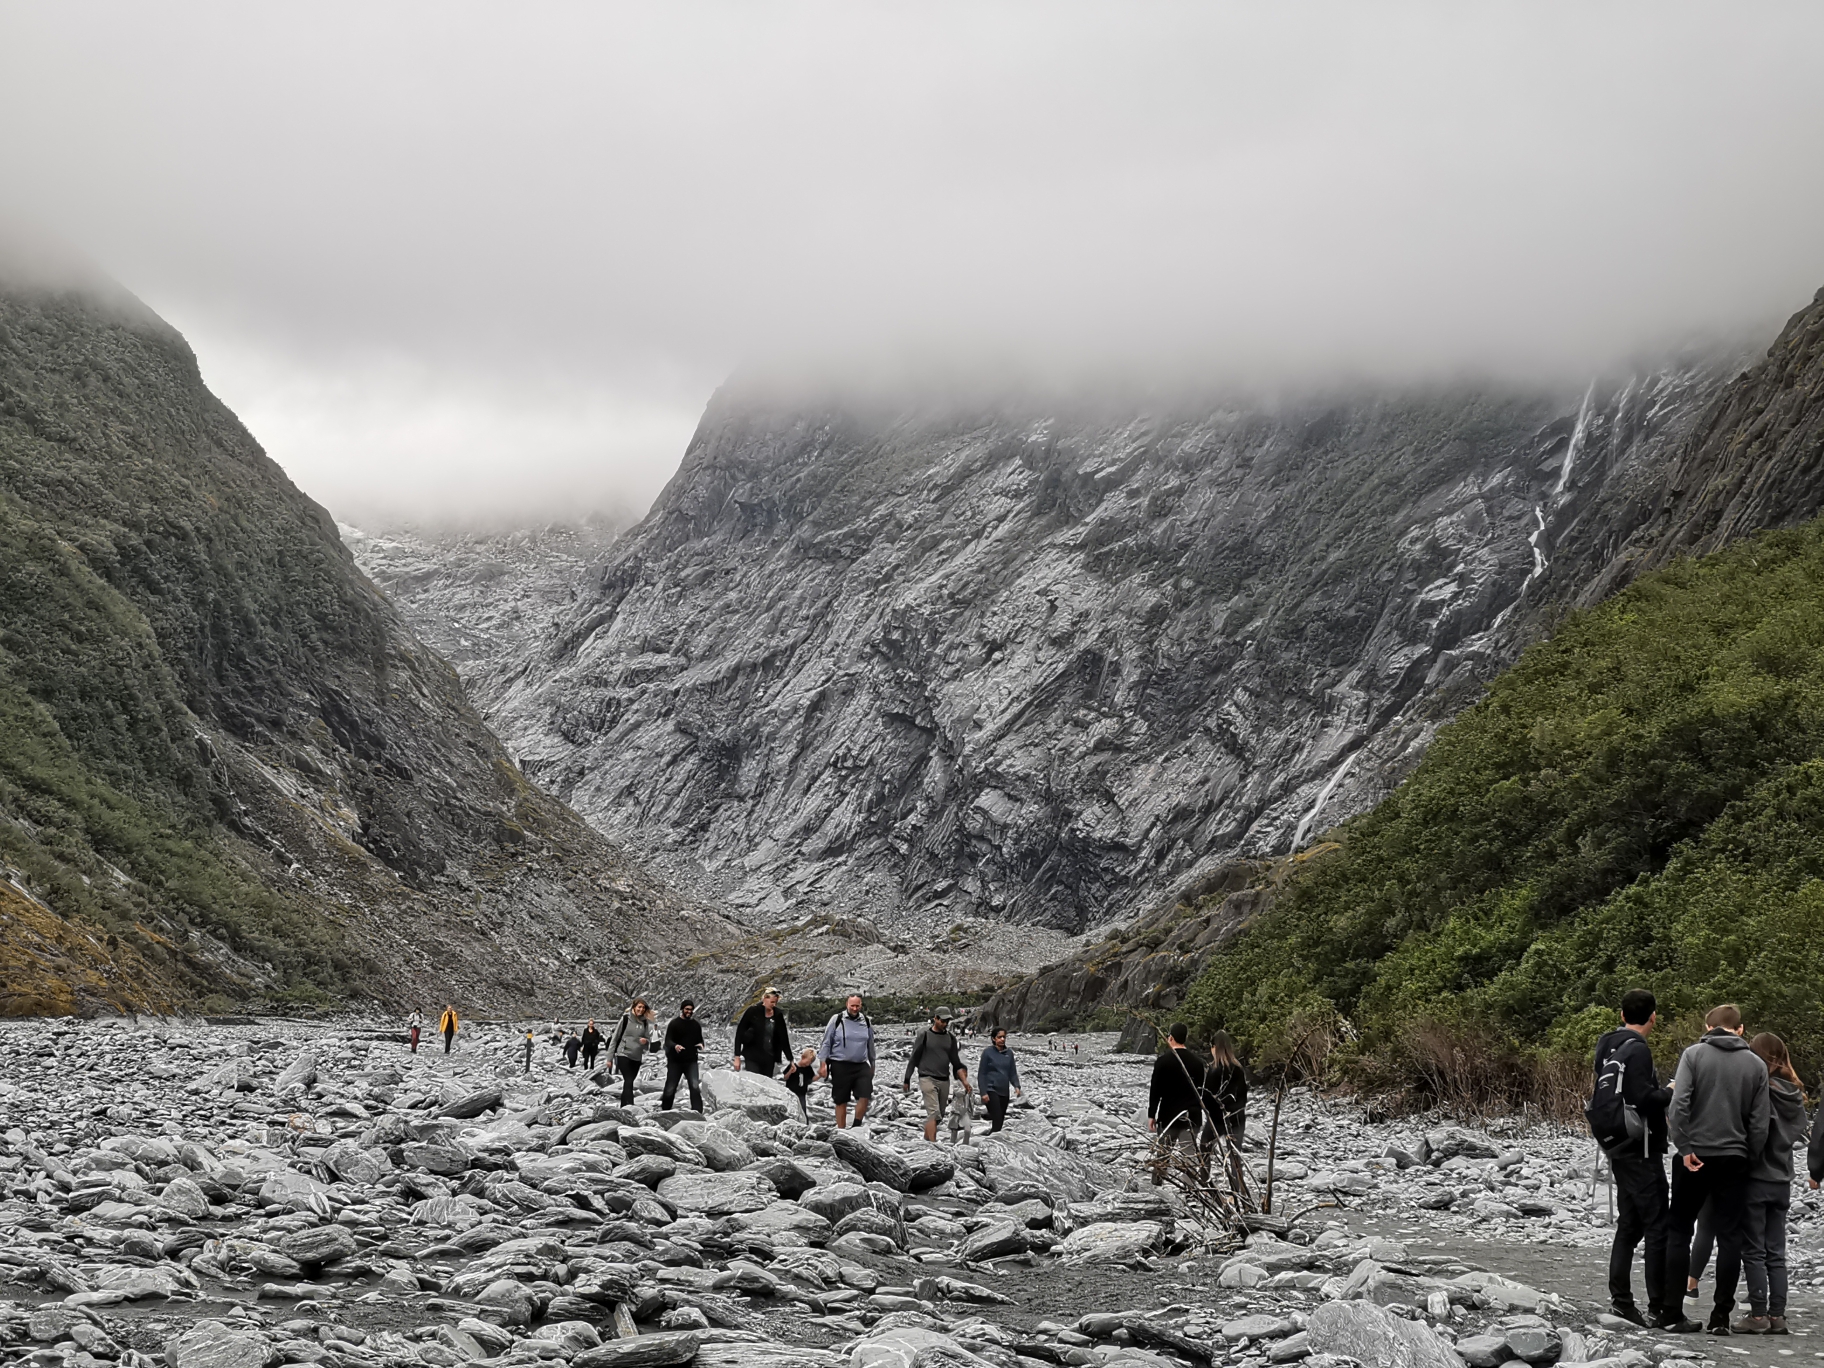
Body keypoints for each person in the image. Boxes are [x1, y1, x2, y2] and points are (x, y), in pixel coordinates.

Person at [1667, 1003, 1771, 1336]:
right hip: (1734, 1157)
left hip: (1694, 1155)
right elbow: (1759, 1122)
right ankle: (1720, 1317)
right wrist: (1748, 1155)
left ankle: (1672, 1310)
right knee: (1730, 1238)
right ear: (1740, 1030)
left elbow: (1679, 1103)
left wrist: (1683, 1147)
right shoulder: (1756, 1065)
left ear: (1707, 1026)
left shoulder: (1693, 1055)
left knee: (1681, 1230)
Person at [1590, 990, 1679, 1329]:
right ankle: (1660, 1308)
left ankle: (1622, 1301)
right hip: (1641, 1147)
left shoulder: (1606, 1042)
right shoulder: (1639, 1049)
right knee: (1658, 1224)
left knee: (1629, 1225)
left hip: (1617, 1143)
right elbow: (1643, 1097)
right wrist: (1671, 1090)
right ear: (1653, 1017)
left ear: (1622, 1013)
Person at [1734, 1032, 1806, 1334]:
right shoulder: (1794, 1092)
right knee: (1776, 1251)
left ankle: (1758, 1314)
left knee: (1753, 1250)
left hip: (1758, 1176)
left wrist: (1746, 1160)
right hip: (1782, 1178)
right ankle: (1778, 1315)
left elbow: (1758, 1130)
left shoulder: (1762, 1088)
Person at [1148, 1023, 1206, 1185]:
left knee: (1163, 1152)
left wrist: (1152, 1114)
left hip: (1169, 1115)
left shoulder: (1163, 1061)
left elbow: (1155, 1091)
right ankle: (1190, 1190)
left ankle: (1157, 1186)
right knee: (1190, 1156)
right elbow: (1201, 1091)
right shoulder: (1198, 1063)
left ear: (1171, 1037)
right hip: (1192, 1116)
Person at [903, 1008, 970, 1143]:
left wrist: (964, 1082)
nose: (945, 1023)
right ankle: (933, 1146)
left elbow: (956, 1062)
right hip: (926, 1077)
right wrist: (907, 1079)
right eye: (943, 1020)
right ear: (936, 1018)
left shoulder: (950, 1038)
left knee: (940, 1116)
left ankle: (926, 1140)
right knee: (933, 1113)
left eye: (947, 1021)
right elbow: (914, 1057)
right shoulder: (925, 1035)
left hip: (944, 1080)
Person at [817, 993, 876, 1129]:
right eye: (852, 1005)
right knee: (841, 1099)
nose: (855, 1008)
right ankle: (841, 1130)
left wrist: (873, 1063)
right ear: (847, 1005)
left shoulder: (866, 1021)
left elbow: (870, 1044)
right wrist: (823, 1063)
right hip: (840, 1064)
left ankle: (856, 1125)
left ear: (861, 1005)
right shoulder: (837, 1019)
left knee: (865, 1094)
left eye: (857, 1005)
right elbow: (826, 1042)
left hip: (861, 1064)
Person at [1203, 1030, 1250, 1193]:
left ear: (1214, 1047)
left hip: (1216, 1119)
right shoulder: (1238, 1069)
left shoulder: (1212, 1069)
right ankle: (1238, 1192)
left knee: (1204, 1149)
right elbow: (1243, 1097)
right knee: (1235, 1157)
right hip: (1236, 1119)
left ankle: (1205, 1185)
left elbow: (1206, 1098)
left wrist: (1214, 1114)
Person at [733, 988, 793, 1077]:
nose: (774, 1004)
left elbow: (783, 1037)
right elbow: (739, 1033)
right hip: (752, 1055)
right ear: (765, 998)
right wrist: (737, 1056)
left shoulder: (777, 1014)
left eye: (776, 1002)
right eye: (772, 1002)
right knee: (754, 1080)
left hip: (770, 1057)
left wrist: (790, 1059)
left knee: (766, 1083)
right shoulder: (752, 1011)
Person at [607, 999, 655, 1106]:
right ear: (634, 1007)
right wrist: (609, 1058)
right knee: (628, 1080)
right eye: (639, 1007)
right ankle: (630, 1106)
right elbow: (614, 1039)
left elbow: (648, 1041)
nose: (641, 1009)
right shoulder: (625, 1019)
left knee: (629, 1082)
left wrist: (645, 1041)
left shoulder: (645, 1022)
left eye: (643, 1008)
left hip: (636, 1057)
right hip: (623, 1054)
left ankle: (624, 1106)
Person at [662, 1000, 705, 1112]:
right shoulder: (674, 1024)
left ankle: (697, 1111)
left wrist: (701, 1045)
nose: (689, 1012)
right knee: (671, 1087)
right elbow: (667, 1041)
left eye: (691, 1009)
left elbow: (700, 1040)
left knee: (695, 1086)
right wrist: (675, 1046)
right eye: (687, 1009)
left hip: (691, 1060)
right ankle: (665, 1111)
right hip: (675, 1061)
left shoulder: (696, 1025)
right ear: (682, 1009)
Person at [977, 1028, 1022, 1134]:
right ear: (993, 1038)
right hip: (991, 1089)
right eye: (999, 1037)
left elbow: (1012, 1072)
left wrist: (1016, 1086)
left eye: (1004, 1037)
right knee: (997, 1116)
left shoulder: (1009, 1053)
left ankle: (992, 1136)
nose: (1002, 1039)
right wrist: (983, 1092)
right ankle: (992, 1141)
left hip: (1004, 1091)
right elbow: (982, 1074)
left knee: (1000, 1119)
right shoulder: (987, 1052)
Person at [784, 1045, 817, 1121]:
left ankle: (804, 1123)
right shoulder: (793, 1066)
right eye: (807, 1062)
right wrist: (790, 1072)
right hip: (790, 1092)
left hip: (801, 1094)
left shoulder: (808, 1069)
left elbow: (811, 1079)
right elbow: (785, 1077)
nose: (807, 1064)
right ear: (803, 1057)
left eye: (810, 1063)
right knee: (790, 1110)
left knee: (803, 1110)